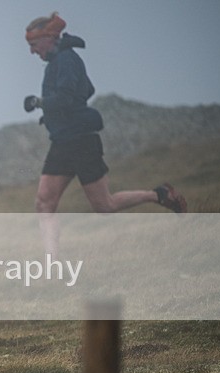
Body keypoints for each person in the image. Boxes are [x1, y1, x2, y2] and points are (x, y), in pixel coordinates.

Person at [23, 12, 187, 255]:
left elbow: (67, 97)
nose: (32, 51)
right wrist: (54, 114)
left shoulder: (67, 60)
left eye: (34, 44)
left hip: (82, 142)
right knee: (44, 202)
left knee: (104, 206)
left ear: (49, 37)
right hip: (62, 142)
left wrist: (40, 102)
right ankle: (51, 264)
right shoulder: (58, 62)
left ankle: (159, 195)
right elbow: (87, 89)